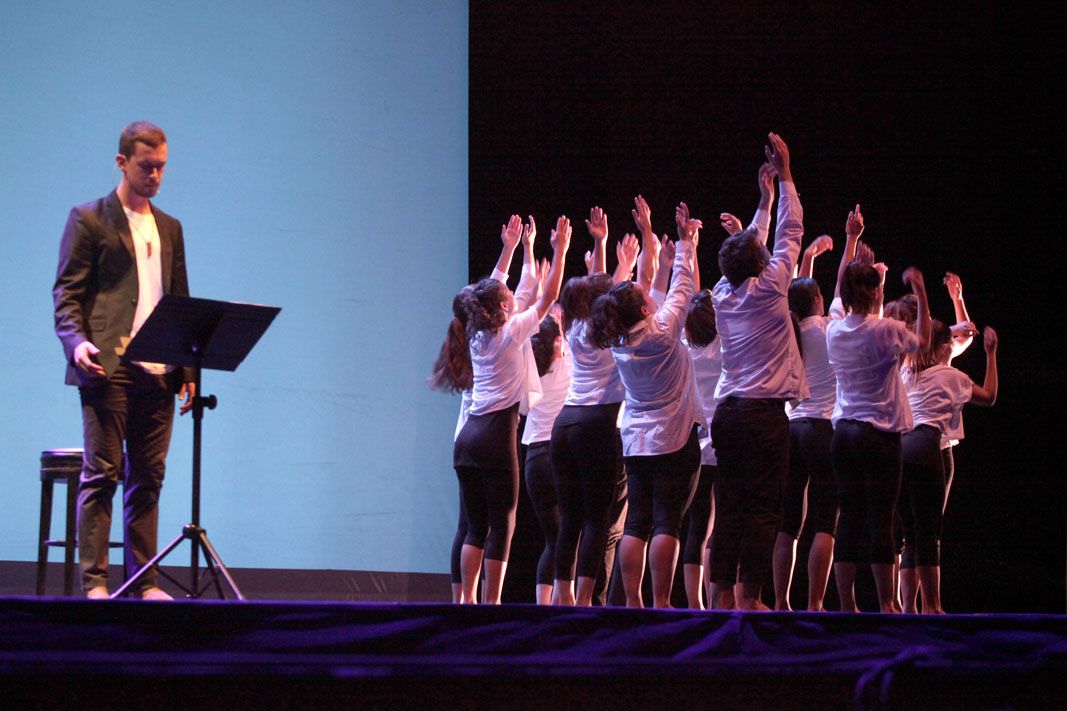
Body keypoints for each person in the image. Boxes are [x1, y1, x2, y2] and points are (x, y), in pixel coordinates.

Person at [53, 121, 195, 600]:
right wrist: (76, 343)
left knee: (149, 476)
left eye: (161, 167)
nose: (155, 175)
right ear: (122, 163)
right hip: (107, 367)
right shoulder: (90, 219)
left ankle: (144, 581)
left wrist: (187, 368)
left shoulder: (170, 227)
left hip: (159, 371)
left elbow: (179, 299)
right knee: (104, 473)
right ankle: (95, 582)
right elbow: (67, 295)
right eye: (146, 166)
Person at [587, 202, 704, 608]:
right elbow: (683, 287)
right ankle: (661, 602)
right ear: (642, 309)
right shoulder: (662, 332)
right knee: (667, 520)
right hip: (673, 438)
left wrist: (652, 232)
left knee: (637, 520)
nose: (646, 289)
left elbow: (654, 286)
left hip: (637, 440)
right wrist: (687, 243)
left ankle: (633, 602)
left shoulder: (620, 341)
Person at [708, 134, 806, 611]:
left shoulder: (722, 293)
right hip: (763, 415)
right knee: (765, 506)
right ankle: (751, 598)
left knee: (729, 505)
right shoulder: (769, 288)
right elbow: (791, 234)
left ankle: (721, 594)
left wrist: (763, 204)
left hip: (728, 413)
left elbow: (748, 249)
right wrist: (785, 179)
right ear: (761, 264)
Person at [454, 214, 571, 604]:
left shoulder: (475, 333)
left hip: (467, 436)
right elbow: (547, 296)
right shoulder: (510, 334)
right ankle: (492, 604)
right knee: (502, 523)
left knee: (474, 525)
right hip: (494, 435)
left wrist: (515, 249)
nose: (513, 299)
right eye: (508, 300)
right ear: (503, 309)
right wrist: (559, 252)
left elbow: (497, 289)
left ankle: (466, 600)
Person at [825, 209, 932, 612]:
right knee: (881, 520)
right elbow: (920, 341)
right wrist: (920, 292)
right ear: (874, 295)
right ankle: (887, 604)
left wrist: (851, 243)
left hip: (845, 435)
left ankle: (847, 605)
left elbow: (840, 292)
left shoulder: (836, 327)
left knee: (849, 519)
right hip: (878, 436)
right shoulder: (887, 330)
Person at [898, 321, 998, 613]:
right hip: (925, 445)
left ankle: (908, 609)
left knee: (910, 534)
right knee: (928, 532)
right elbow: (989, 396)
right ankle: (932, 606)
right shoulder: (951, 375)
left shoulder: (906, 370)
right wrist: (991, 354)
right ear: (944, 348)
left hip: (899, 448)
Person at [771, 232, 840, 611]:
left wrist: (810, 257)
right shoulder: (831, 329)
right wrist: (847, 243)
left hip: (791, 428)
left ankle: (781, 601)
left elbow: (794, 299)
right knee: (825, 518)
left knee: (788, 521)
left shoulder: (787, 331)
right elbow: (845, 287)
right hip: (822, 427)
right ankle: (814, 603)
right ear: (819, 300)